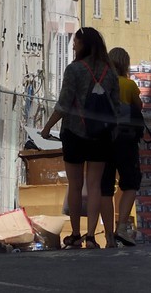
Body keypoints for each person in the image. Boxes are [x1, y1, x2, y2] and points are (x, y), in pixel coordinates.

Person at [39, 27, 121, 249]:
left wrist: (46, 128)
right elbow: (116, 107)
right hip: (101, 136)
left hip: (75, 133)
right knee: (95, 186)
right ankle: (92, 236)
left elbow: (64, 104)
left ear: (84, 44)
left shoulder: (74, 70)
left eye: (75, 42)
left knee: (74, 185)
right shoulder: (110, 72)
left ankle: (75, 234)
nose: (73, 45)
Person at [98, 46, 147, 247]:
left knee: (105, 189)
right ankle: (121, 227)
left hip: (103, 140)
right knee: (130, 183)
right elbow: (139, 107)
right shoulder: (128, 85)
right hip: (125, 142)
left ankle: (108, 236)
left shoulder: (102, 84)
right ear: (125, 64)